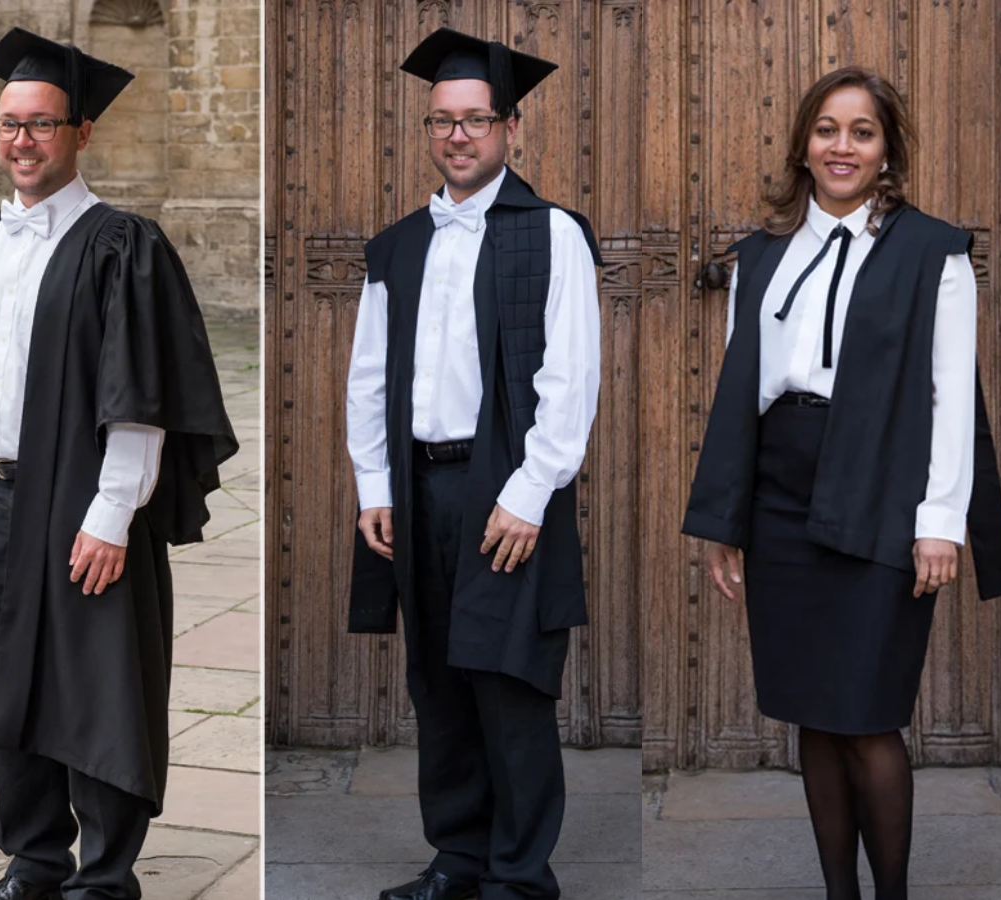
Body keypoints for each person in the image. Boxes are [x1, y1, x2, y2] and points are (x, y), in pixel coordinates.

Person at [0, 27, 237, 900]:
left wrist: (114, 515)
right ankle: (33, 861)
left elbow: (141, 395)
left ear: (81, 132)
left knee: (98, 688)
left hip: (82, 504)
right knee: (6, 683)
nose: (21, 141)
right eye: (9, 124)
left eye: (41, 124)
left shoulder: (123, 244)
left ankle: (105, 878)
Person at [683, 68, 1001, 900]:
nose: (842, 146)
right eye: (827, 129)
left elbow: (948, 396)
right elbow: (742, 389)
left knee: (868, 714)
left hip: (881, 487)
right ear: (804, 143)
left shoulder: (932, 251)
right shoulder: (760, 256)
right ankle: (840, 894)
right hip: (781, 492)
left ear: (887, 150)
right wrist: (727, 518)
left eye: (862, 132)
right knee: (813, 714)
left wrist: (939, 519)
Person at [346, 27, 602, 900]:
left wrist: (529, 494)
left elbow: (570, 378)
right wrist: (374, 486)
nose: (458, 136)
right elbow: (368, 377)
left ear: (511, 130)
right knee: (441, 682)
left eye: (477, 120)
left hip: (508, 492)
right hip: (419, 490)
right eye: (443, 122)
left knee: (510, 681)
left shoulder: (552, 234)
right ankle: (457, 859)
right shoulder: (397, 246)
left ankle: (521, 876)